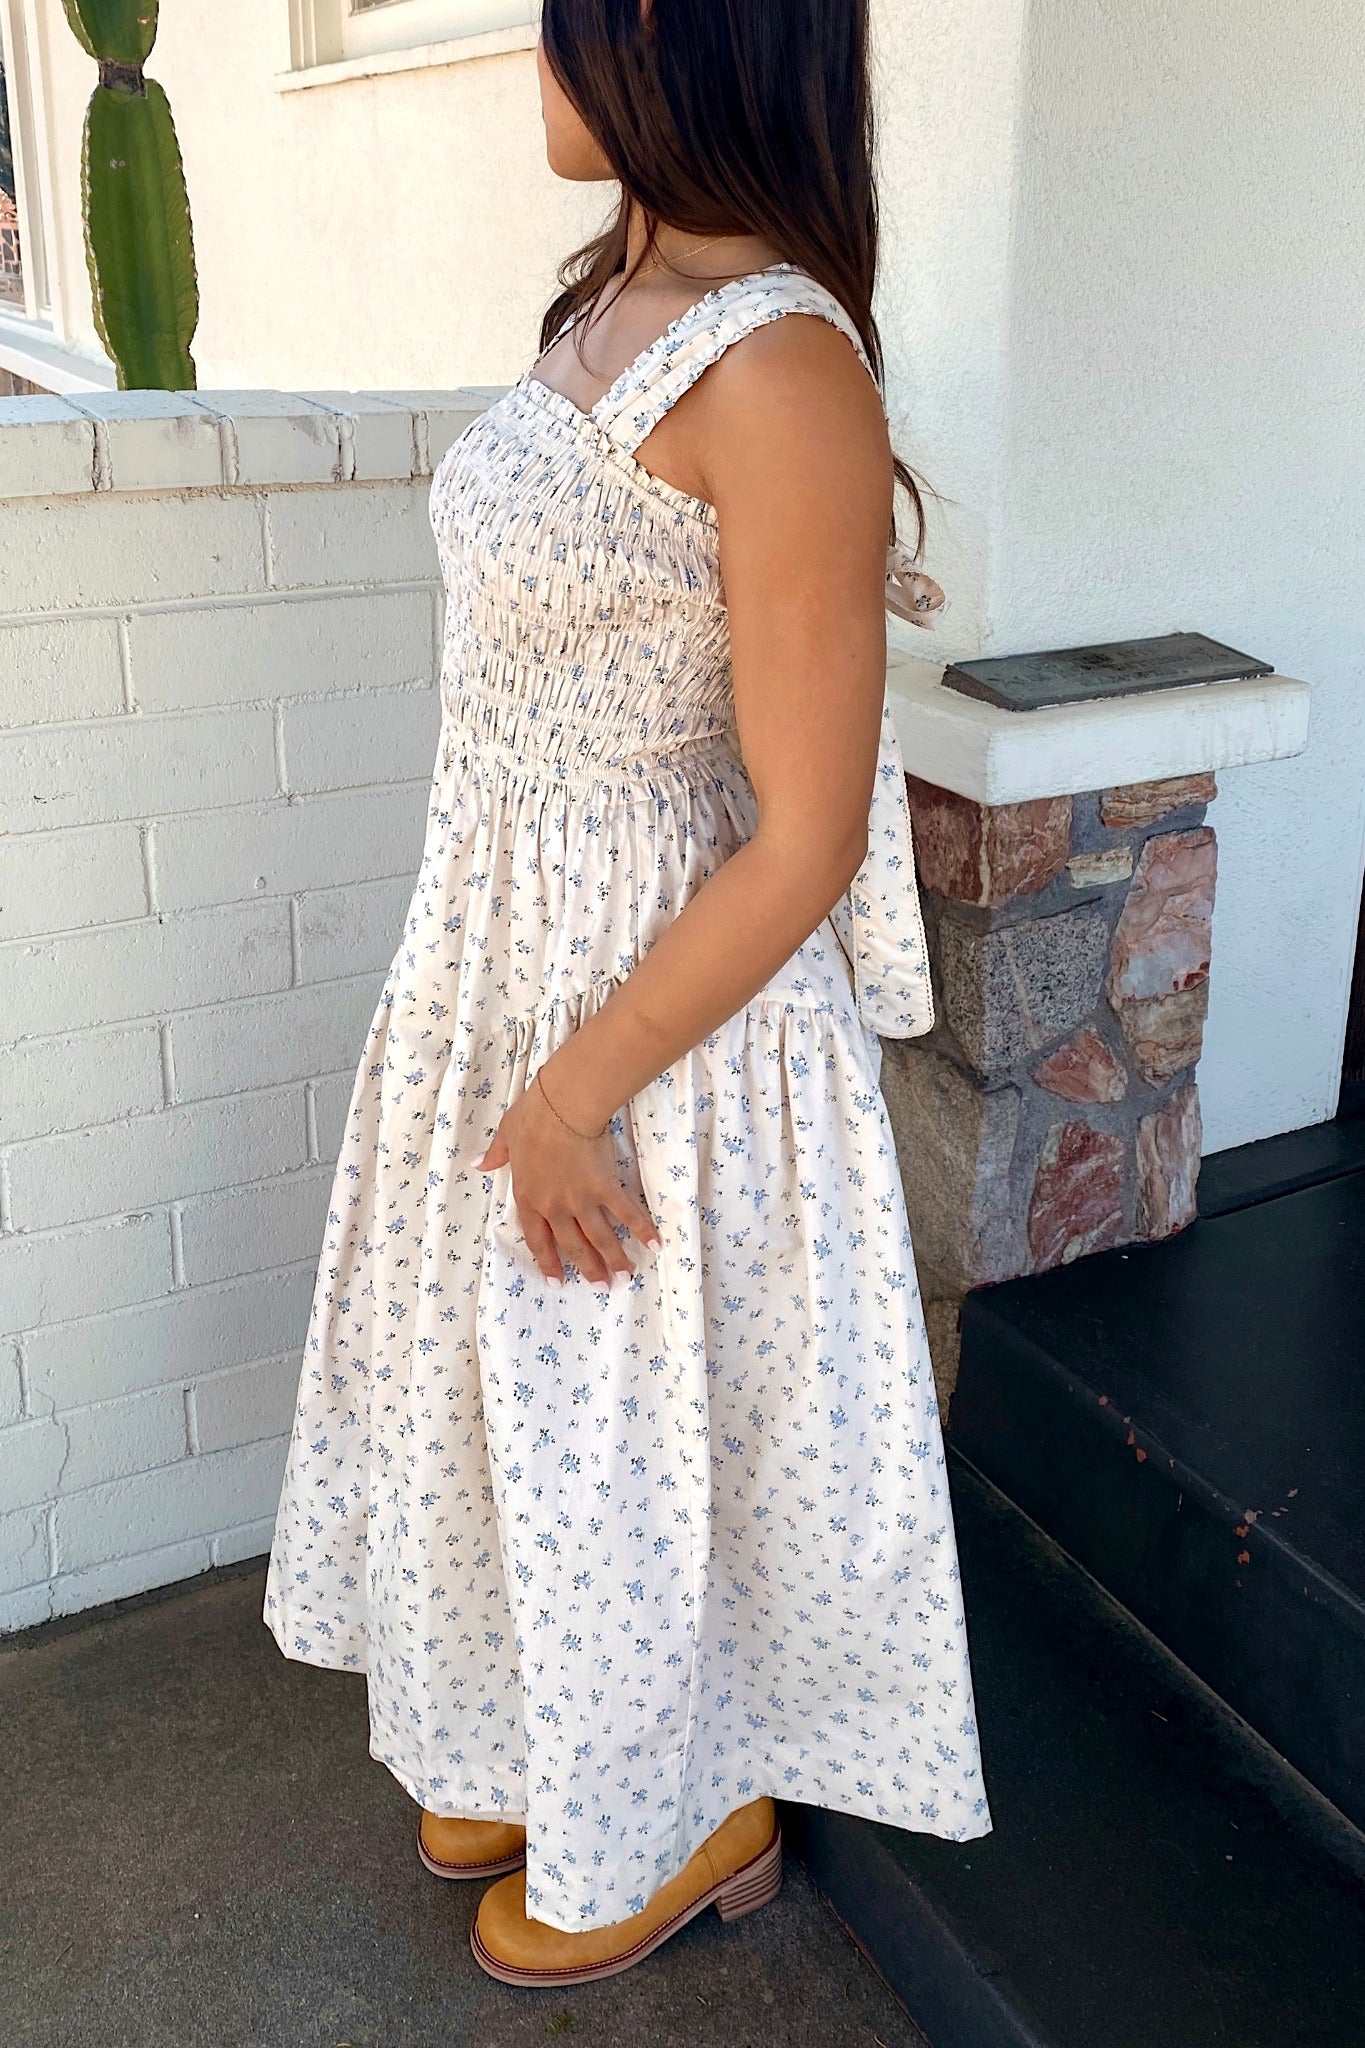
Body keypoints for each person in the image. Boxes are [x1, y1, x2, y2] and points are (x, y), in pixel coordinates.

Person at [264, 0, 991, 1988]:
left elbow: (806, 828)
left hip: (656, 1009)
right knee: (498, 1391)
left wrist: (580, 1087)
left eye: (568, 26)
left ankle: (684, 1802)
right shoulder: (610, 291)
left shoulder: (778, 374)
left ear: (689, 41)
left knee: (615, 1415)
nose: (538, 61)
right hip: (503, 942)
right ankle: (539, 1734)